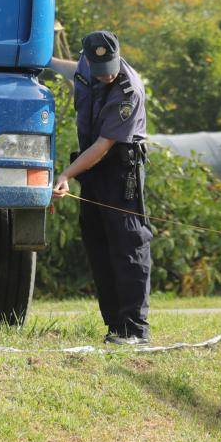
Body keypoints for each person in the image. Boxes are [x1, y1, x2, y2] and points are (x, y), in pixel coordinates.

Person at [52, 30, 152, 344]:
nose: (105, 78)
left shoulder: (127, 90)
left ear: (117, 58)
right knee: (97, 243)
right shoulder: (87, 67)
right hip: (91, 168)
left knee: (128, 243)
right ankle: (115, 327)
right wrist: (43, 58)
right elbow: (69, 69)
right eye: (99, 73)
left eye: (109, 70)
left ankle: (135, 330)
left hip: (120, 167)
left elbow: (104, 146)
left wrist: (65, 175)